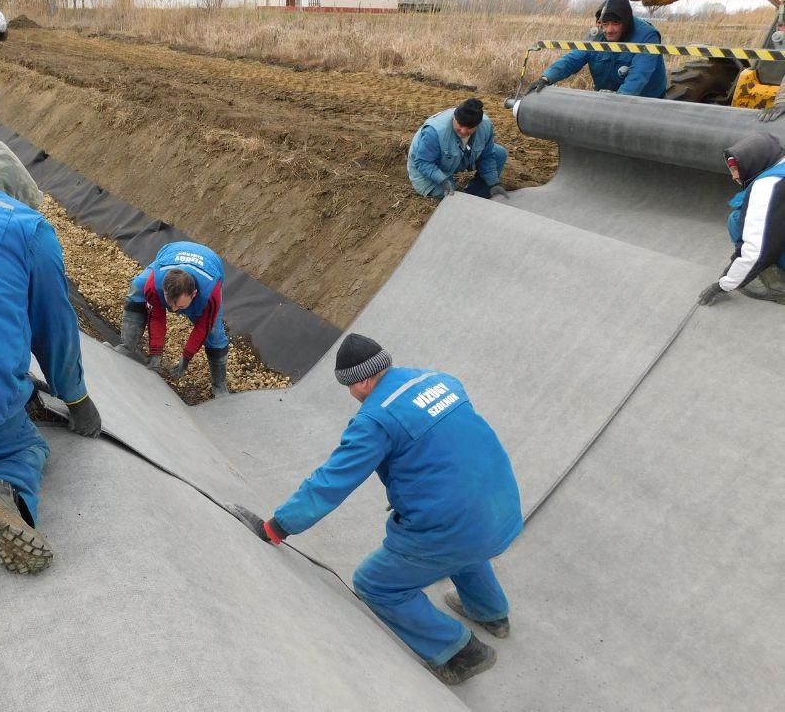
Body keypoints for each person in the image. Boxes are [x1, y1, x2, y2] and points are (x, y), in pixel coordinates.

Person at [233, 333, 523, 685]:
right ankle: (492, 614)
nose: (352, 395)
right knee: (460, 533)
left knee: (375, 583)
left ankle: (461, 652)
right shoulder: (439, 380)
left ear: (364, 381)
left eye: (350, 387)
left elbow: (332, 481)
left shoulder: (375, 422)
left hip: (455, 526)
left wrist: (277, 527)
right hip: (501, 506)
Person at [0, 140, 100, 575]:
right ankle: (0, 488)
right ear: (14, 190)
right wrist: (76, 398)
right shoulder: (27, 228)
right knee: (27, 447)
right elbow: (54, 329)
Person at [116, 241, 229, 392]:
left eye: (180, 307)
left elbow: (203, 327)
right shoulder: (154, 283)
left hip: (210, 262)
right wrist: (155, 352)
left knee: (214, 333)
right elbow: (156, 316)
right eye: (170, 304)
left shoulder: (210, 294)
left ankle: (220, 385)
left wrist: (186, 359)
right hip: (170, 253)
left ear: (194, 294)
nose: (174, 310)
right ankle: (127, 346)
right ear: (164, 290)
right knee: (138, 285)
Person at [698, 132, 785, 306]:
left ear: (754, 162)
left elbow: (756, 252)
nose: (735, 176)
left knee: (737, 219)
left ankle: (776, 285)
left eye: (737, 169)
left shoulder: (767, 186)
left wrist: (724, 284)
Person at [526, 0, 667, 99]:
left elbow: (639, 75)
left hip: (646, 100)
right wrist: (547, 78)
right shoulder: (597, 34)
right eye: (605, 23)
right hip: (607, 98)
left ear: (626, 23)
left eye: (615, 23)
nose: (609, 30)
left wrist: (618, 102)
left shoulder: (647, 36)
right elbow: (574, 58)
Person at [407, 98, 509, 199]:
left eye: (469, 128)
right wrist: (442, 180)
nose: (463, 131)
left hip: (456, 158)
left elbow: (487, 157)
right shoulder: (435, 131)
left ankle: (475, 195)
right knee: (450, 192)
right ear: (454, 118)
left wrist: (493, 182)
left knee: (499, 154)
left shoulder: (485, 126)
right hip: (426, 169)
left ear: (477, 125)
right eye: (460, 125)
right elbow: (423, 162)